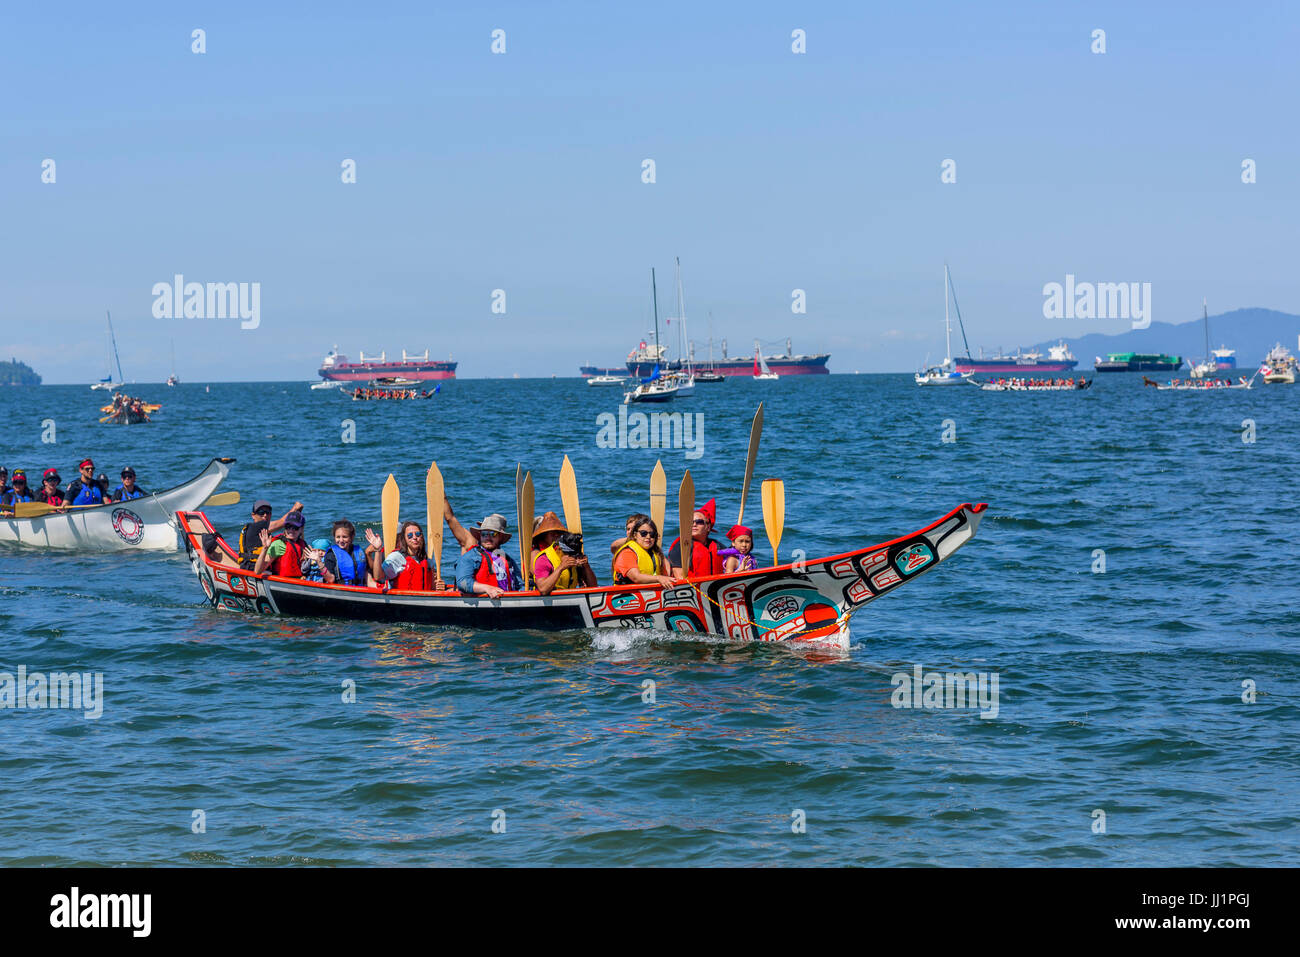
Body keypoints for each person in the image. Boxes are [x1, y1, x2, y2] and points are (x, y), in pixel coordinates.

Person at [455, 514, 522, 598]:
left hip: (507, 603)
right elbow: (463, 583)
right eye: (484, 534)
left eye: (493, 534)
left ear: (500, 537)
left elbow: (519, 584)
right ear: (480, 536)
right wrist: (487, 588)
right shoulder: (471, 557)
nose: (488, 537)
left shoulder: (507, 559)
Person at [531, 511, 597, 594]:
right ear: (558, 548)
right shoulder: (543, 558)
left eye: (558, 534)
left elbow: (593, 586)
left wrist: (586, 567)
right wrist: (561, 567)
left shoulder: (574, 554)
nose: (556, 536)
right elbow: (543, 589)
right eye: (552, 534)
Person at [373, 520, 445, 590]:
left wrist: (438, 587)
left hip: (422, 600)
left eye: (417, 534)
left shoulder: (428, 561)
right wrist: (377, 550)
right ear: (404, 539)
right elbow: (378, 577)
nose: (414, 537)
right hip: (400, 599)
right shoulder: (396, 558)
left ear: (422, 537)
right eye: (410, 535)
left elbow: (432, 588)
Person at [237, 498, 305, 570]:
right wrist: (295, 508)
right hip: (253, 569)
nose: (265, 515)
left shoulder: (265, 533)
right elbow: (281, 522)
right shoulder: (254, 528)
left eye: (268, 512)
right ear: (253, 515)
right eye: (261, 512)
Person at [666, 497, 725, 578]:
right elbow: (678, 574)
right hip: (692, 587)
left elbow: (733, 559)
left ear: (708, 527)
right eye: (691, 521)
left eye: (699, 522)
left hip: (715, 585)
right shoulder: (681, 546)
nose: (694, 525)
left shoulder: (717, 545)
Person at [612, 517, 676, 587]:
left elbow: (667, 574)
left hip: (650, 592)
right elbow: (636, 577)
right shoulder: (626, 553)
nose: (648, 537)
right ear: (635, 535)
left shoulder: (656, 554)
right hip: (626, 595)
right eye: (643, 533)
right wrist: (658, 578)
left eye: (652, 534)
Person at [253, 510, 309, 578]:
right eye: (288, 526)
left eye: (295, 527)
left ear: (301, 528)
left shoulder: (303, 544)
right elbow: (257, 571)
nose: (291, 530)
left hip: (299, 582)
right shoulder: (278, 544)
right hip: (284, 583)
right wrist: (265, 548)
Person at [322, 519, 375, 587]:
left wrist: (377, 550)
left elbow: (368, 577)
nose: (341, 540)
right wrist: (318, 561)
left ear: (352, 537)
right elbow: (330, 580)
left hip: (359, 589)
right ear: (334, 537)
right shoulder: (331, 555)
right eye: (338, 537)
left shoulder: (358, 552)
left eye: (344, 537)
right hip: (340, 590)